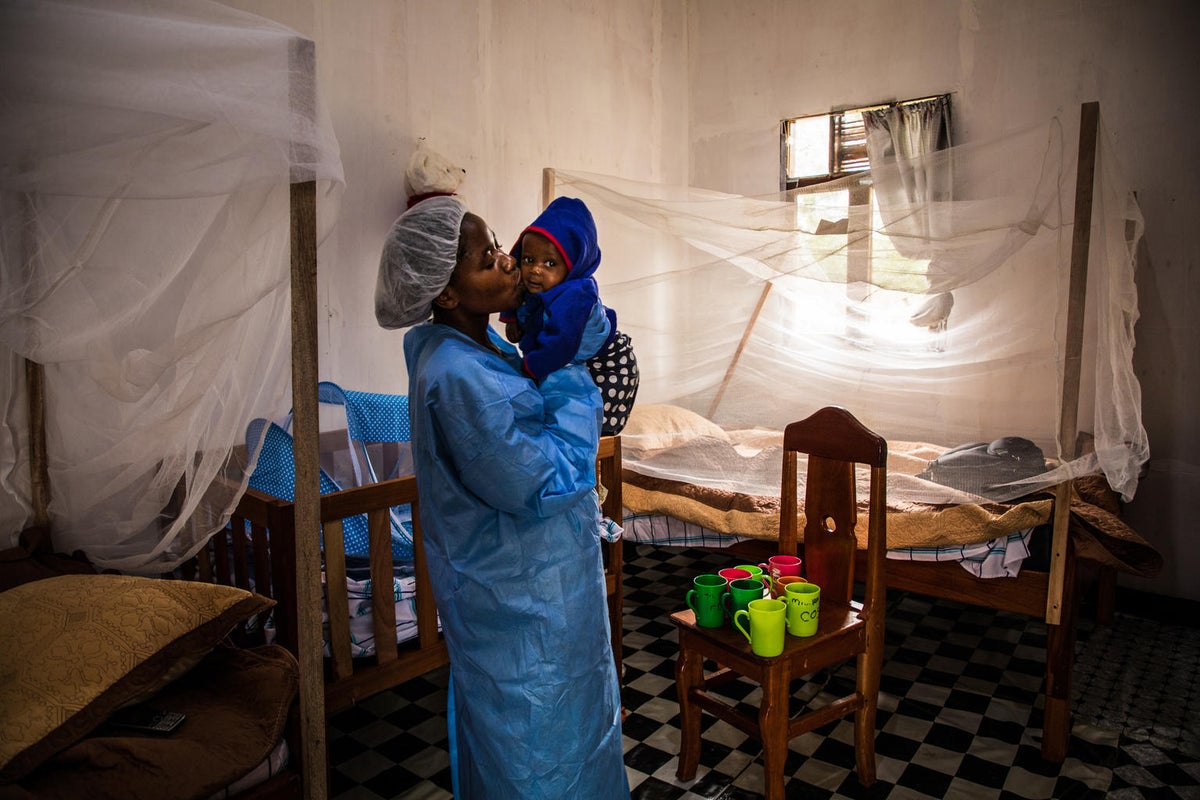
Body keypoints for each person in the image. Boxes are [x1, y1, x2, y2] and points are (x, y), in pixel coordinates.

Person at [375, 195, 629, 799]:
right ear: (445, 294)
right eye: (487, 257)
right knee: (535, 755)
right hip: (520, 613)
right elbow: (546, 479)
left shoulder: (487, 348)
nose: (509, 261)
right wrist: (570, 372)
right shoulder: (457, 375)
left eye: (499, 245)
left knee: (575, 734)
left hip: (549, 597)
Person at [499, 196, 639, 436]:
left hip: (608, 366)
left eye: (550, 263)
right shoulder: (537, 282)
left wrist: (528, 369)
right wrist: (511, 320)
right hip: (574, 363)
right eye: (528, 259)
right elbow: (517, 294)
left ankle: (587, 470)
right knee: (552, 410)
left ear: (574, 266)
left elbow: (561, 344)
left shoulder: (577, 294)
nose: (535, 269)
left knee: (581, 427)